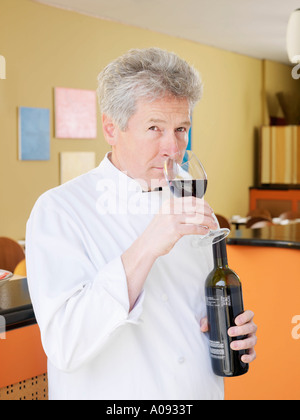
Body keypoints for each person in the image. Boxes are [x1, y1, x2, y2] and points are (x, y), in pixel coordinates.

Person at [26, 48, 257, 400]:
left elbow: (196, 309)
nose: (173, 148)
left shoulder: (190, 200)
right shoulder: (58, 210)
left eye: (182, 128)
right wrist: (149, 244)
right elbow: (65, 344)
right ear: (111, 128)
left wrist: (230, 327)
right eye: (155, 128)